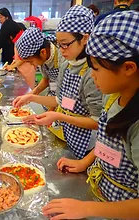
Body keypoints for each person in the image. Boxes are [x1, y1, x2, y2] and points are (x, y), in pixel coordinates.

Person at [43, 11, 139, 220]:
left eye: (95, 68)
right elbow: (107, 141)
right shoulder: (113, 96)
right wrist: (85, 162)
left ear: (129, 68)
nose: (92, 75)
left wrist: (87, 209)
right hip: (102, 189)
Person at [14, 5, 103, 159]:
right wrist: (31, 97)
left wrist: (58, 116)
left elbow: (97, 122)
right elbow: (59, 100)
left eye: (65, 44)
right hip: (68, 134)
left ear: (85, 38)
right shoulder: (67, 64)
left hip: (88, 144)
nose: (61, 50)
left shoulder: (92, 72)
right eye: (58, 44)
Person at [13, 28, 65, 104]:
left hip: (67, 104)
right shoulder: (44, 57)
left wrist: (52, 111)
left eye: (31, 61)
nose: (32, 64)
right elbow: (46, 79)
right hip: (54, 98)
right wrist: (32, 93)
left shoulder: (63, 59)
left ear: (43, 52)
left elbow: (68, 103)